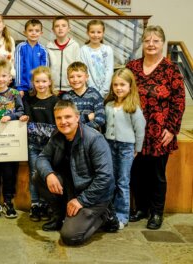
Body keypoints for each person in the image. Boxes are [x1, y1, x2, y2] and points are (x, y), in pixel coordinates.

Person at [36, 99, 118, 246]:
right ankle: (59, 217)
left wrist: (81, 200)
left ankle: (105, 215)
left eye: (67, 117)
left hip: (95, 195)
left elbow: (105, 178)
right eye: (59, 118)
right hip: (72, 188)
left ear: (77, 117)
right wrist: (49, 174)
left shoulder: (94, 139)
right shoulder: (57, 134)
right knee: (39, 176)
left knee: (70, 237)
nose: (63, 122)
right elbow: (42, 158)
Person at [126, 25, 185, 229]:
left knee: (157, 175)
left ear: (162, 43)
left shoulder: (171, 69)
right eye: (147, 40)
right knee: (136, 172)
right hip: (134, 130)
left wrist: (172, 129)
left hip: (160, 131)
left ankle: (156, 213)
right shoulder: (132, 67)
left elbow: (179, 100)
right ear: (142, 43)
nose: (151, 44)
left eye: (156, 40)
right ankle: (141, 208)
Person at [104, 68, 146, 229]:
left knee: (122, 181)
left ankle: (122, 216)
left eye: (122, 84)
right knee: (111, 180)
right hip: (109, 145)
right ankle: (110, 213)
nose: (119, 88)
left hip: (126, 147)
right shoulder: (108, 105)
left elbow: (140, 129)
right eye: (115, 85)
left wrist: (137, 148)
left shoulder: (133, 107)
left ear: (130, 86)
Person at [0, 59, 24, 218]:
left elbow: (21, 112)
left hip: (11, 142)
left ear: (9, 78)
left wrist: (12, 116)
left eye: (4, 76)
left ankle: (8, 201)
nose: (1, 79)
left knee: (9, 173)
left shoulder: (14, 94)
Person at [20, 66, 59, 222]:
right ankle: (35, 205)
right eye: (37, 81)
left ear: (49, 82)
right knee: (35, 175)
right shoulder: (28, 99)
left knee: (48, 175)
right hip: (33, 145)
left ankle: (45, 203)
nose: (41, 84)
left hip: (51, 147)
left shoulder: (56, 101)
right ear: (33, 83)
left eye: (44, 81)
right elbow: (27, 117)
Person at [62, 61, 105, 132]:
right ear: (68, 79)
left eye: (79, 76)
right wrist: (88, 117)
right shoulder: (66, 97)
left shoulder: (94, 95)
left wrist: (81, 129)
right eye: (71, 77)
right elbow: (67, 121)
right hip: (73, 137)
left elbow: (100, 119)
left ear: (86, 77)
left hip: (93, 136)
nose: (75, 80)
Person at [80, 20, 114, 99]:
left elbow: (109, 70)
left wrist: (103, 91)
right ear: (87, 33)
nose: (95, 35)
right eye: (92, 32)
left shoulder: (108, 49)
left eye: (99, 32)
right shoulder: (83, 50)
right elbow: (84, 71)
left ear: (103, 33)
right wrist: (93, 91)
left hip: (106, 92)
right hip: (89, 91)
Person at [15, 19, 48, 98]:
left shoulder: (43, 50)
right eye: (30, 30)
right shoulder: (20, 47)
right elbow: (18, 68)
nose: (33, 33)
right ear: (25, 32)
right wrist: (19, 87)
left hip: (39, 88)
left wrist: (45, 87)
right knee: (25, 109)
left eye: (37, 31)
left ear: (41, 33)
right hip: (24, 88)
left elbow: (45, 71)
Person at [46, 16, 80, 94]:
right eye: (57, 26)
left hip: (71, 88)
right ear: (53, 30)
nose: (60, 28)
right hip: (53, 89)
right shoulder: (48, 47)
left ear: (69, 29)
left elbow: (78, 68)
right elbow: (46, 68)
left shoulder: (75, 46)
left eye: (63, 26)